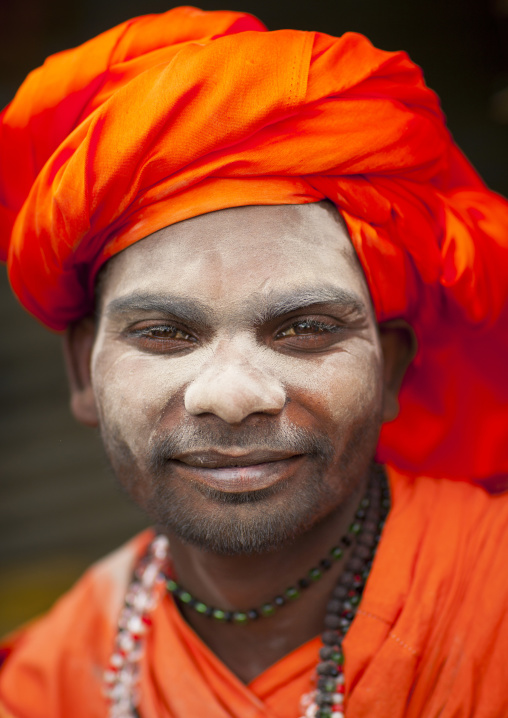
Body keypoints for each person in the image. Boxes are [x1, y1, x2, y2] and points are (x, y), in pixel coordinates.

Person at [1, 6, 508, 717]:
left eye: (303, 329)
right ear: (84, 372)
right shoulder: (52, 681)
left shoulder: (493, 594)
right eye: (165, 333)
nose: (233, 394)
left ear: (391, 369)